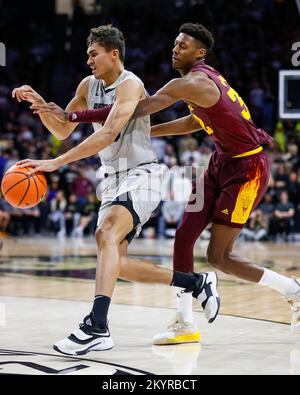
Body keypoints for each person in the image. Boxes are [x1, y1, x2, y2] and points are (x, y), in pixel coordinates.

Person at [36, 23, 300, 341]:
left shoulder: (191, 81)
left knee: (220, 257)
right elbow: (194, 121)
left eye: (182, 45)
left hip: (249, 169)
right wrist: (149, 131)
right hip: (219, 164)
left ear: (199, 52)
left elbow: (141, 108)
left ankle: (291, 289)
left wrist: (74, 117)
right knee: (183, 237)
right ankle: (186, 322)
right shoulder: (199, 80)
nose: (175, 49)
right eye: (175, 43)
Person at [12, 25, 220, 355]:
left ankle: (97, 327)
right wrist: (40, 106)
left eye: (93, 54)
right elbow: (62, 128)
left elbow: (109, 132)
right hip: (111, 180)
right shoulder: (87, 85)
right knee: (116, 263)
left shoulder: (131, 84)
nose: (88, 60)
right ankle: (196, 283)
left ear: (113, 54)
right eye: (87, 54)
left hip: (143, 174)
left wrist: (56, 162)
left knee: (105, 234)